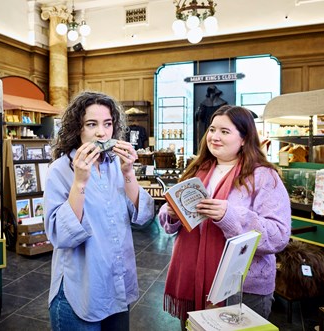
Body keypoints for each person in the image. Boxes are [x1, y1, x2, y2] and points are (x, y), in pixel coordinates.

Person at [159, 105, 291, 327]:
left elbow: (278, 237)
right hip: (193, 280)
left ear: (244, 138)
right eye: (212, 130)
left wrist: (229, 215)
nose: (214, 137)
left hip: (241, 289)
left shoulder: (265, 177)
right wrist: (171, 212)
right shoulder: (197, 169)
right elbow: (171, 219)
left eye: (225, 131)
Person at [44, 91, 155, 330]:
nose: (101, 133)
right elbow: (60, 235)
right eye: (91, 124)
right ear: (77, 128)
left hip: (117, 284)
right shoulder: (60, 169)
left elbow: (144, 217)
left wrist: (128, 174)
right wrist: (80, 182)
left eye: (107, 124)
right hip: (80, 290)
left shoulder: (116, 163)